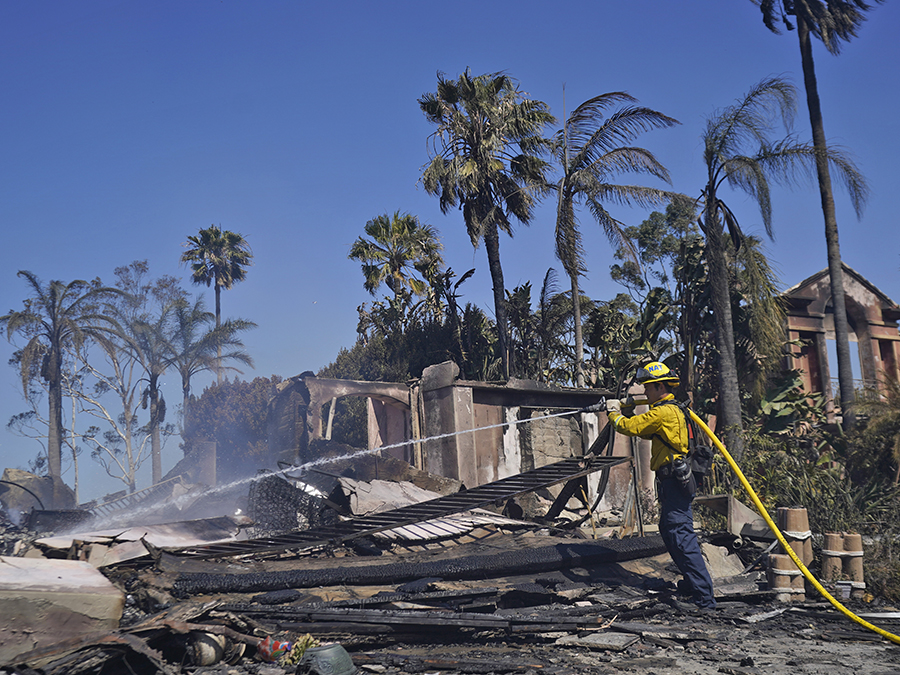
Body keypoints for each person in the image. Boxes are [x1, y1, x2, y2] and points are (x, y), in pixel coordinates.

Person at [605, 361, 716, 610]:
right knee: (670, 531)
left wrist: (614, 412)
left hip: (675, 482)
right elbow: (644, 431)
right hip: (673, 482)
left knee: (680, 534)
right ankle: (693, 584)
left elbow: (629, 427)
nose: (644, 392)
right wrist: (629, 411)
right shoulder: (668, 411)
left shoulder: (664, 412)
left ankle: (704, 598)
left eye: (647, 387)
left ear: (658, 386)